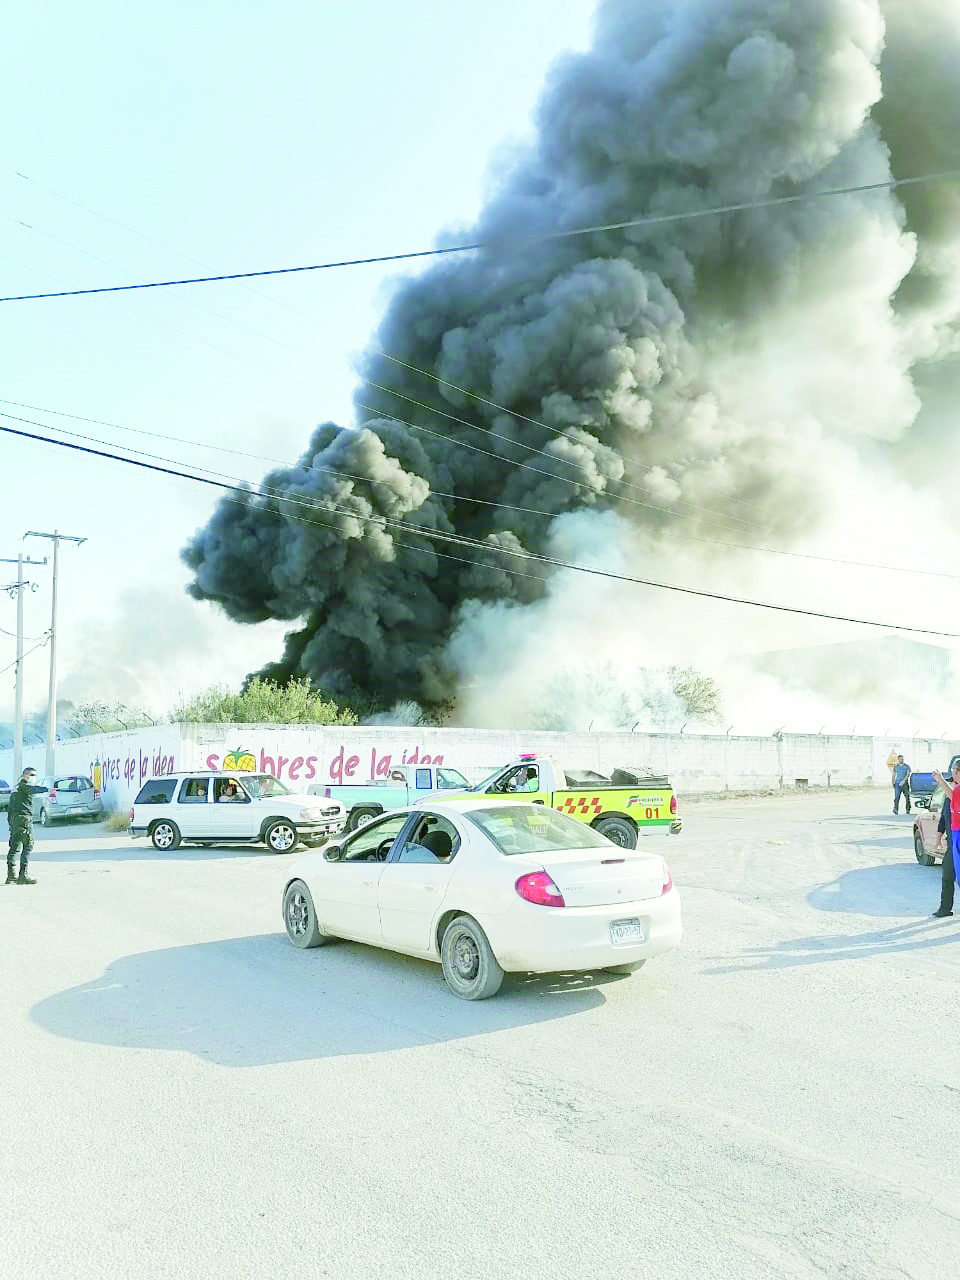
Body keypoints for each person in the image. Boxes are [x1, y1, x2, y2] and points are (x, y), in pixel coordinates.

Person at [931, 762, 960, 917]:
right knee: (948, 875)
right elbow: (944, 818)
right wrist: (938, 838)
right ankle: (945, 908)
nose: (953, 779)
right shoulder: (950, 797)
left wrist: (941, 781)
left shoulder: (955, 794)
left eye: (955, 773)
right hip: (953, 843)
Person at [6, 767, 39, 885]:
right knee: (27, 846)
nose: (33, 777)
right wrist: (48, 789)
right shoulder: (24, 786)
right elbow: (34, 789)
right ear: (25, 775)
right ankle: (22, 875)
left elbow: (10, 807)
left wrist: (10, 823)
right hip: (24, 819)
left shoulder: (16, 788)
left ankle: (11, 876)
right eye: (32, 775)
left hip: (15, 820)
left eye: (35, 775)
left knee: (14, 847)